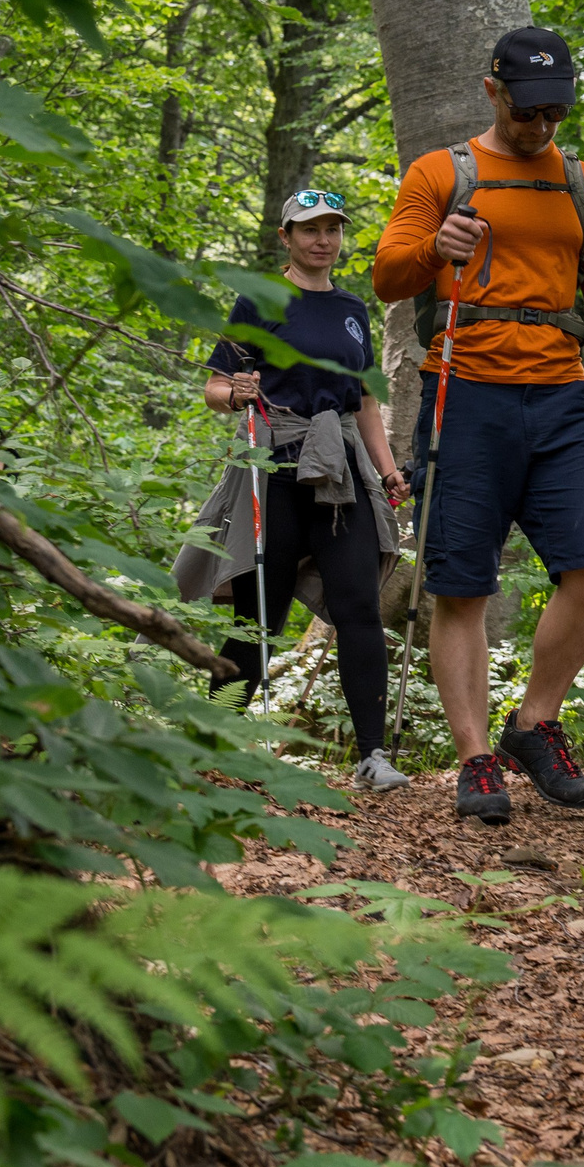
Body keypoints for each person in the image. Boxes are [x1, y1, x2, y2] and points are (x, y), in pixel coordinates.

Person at [372, 26, 584, 826]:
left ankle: (532, 724)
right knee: (460, 584)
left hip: (561, 395)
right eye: (530, 110)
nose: (543, 127)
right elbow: (387, 274)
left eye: (556, 113)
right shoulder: (442, 172)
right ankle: (476, 760)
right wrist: (438, 246)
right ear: (493, 90)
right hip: (463, 392)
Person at [174, 191, 409, 789]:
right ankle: (213, 741)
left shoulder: (354, 309)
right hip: (273, 466)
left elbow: (364, 402)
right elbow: (214, 389)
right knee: (261, 614)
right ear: (286, 236)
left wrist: (386, 471)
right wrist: (238, 394)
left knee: (358, 605)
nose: (322, 240)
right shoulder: (259, 298)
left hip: (342, 476)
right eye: (309, 230)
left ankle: (373, 756)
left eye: (332, 229)